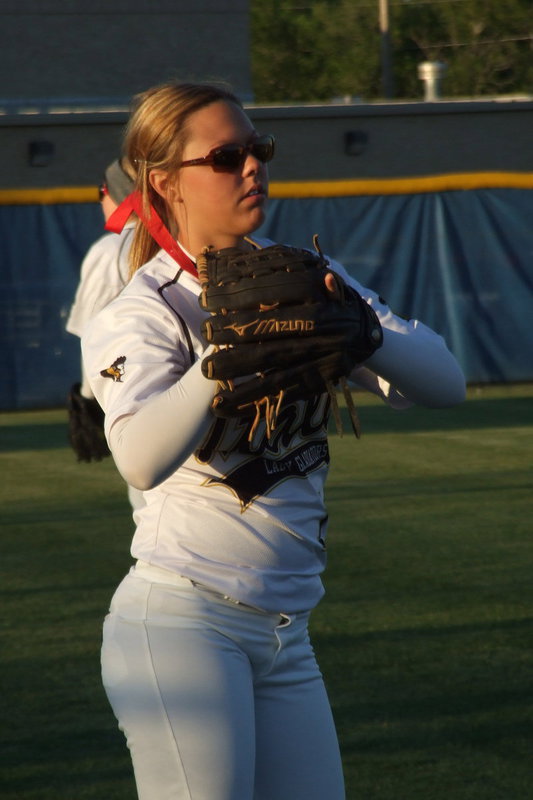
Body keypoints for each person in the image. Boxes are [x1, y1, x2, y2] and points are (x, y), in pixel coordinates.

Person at [81, 81, 466, 800]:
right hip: (183, 628)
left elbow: (445, 382)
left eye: (257, 149)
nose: (251, 166)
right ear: (165, 183)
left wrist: (366, 330)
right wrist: (219, 359)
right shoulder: (143, 310)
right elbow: (138, 458)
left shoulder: (304, 277)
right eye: (226, 156)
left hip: (287, 636)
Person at [66, 158, 144, 509]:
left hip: (143, 400)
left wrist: (86, 399)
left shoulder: (112, 249)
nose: (100, 199)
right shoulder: (187, 242)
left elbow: (92, 337)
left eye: (102, 191)